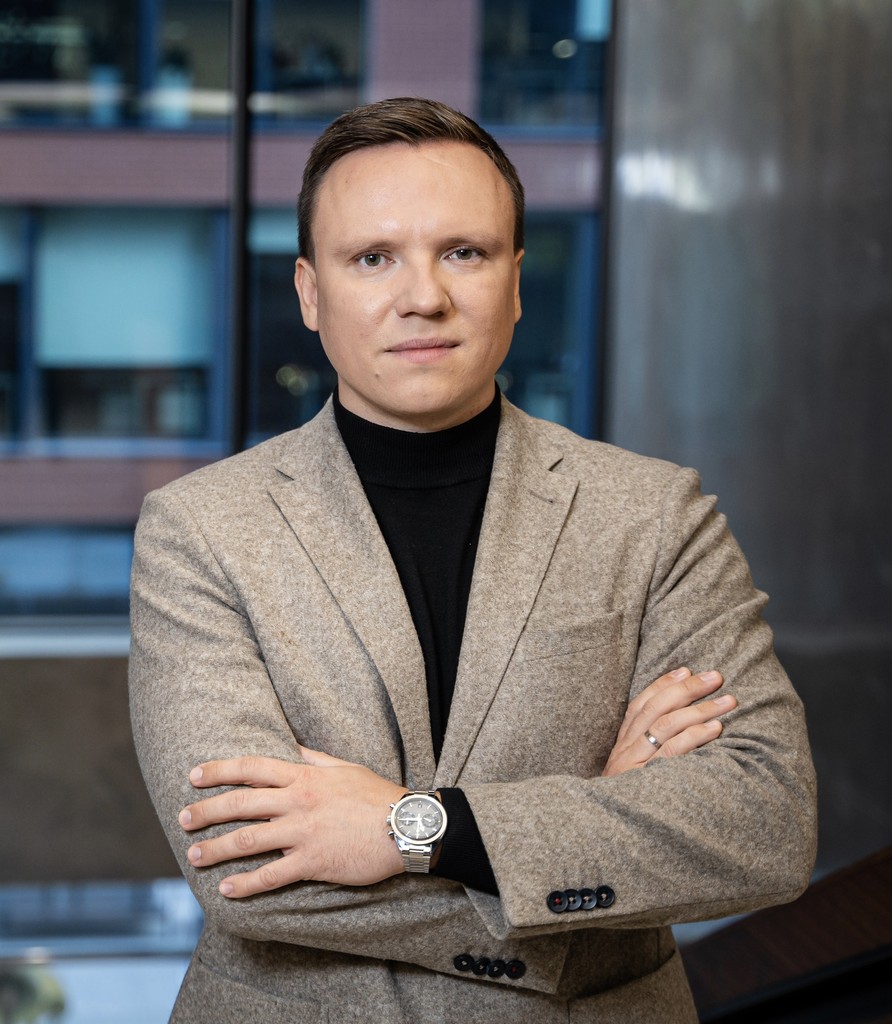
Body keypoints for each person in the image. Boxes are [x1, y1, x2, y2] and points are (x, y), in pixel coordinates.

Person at [129, 97, 816, 1023]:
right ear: (309, 292)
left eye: (465, 252)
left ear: (518, 281)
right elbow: (249, 873)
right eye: (373, 258)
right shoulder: (199, 530)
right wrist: (591, 829)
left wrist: (412, 829)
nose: (424, 295)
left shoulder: (655, 514)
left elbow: (764, 825)